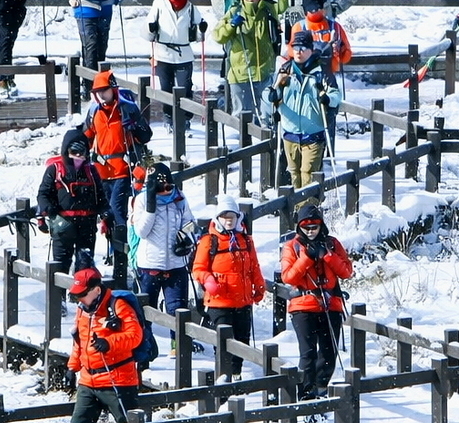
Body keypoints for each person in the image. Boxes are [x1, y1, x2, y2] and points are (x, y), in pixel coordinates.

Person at [45, 267, 156, 423]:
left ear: (96, 290)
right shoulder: (82, 310)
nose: (78, 299)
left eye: (82, 294)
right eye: (76, 295)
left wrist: (109, 343)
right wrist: (72, 367)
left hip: (118, 378)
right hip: (89, 379)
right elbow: (79, 342)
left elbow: (135, 336)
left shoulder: (118, 305)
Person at [83, 70, 152, 288]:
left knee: (117, 212)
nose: (101, 95)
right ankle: (113, 252)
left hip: (123, 170)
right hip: (100, 172)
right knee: (106, 216)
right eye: (98, 92)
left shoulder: (127, 109)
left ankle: (122, 263)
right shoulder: (94, 111)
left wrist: (134, 125)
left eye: (104, 90)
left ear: (113, 89)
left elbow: (146, 135)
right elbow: (86, 137)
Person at [280, 203, 353, 400]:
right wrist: (306, 259)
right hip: (303, 305)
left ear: (321, 226)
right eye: (306, 228)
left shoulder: (332, 244)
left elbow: (346, 271)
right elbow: (288, 277)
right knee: (308, 353)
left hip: (330, 305)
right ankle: (306, 392)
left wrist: (328, 256)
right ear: (299, 227)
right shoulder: (292, 247)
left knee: (329, 353)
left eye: (315, 227)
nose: (311, 231)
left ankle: (321, 387)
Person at [191, 194, 265, 379]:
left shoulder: (246, 240)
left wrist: (259, 286)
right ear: (218, 218)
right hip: (219, 301)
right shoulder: (209, 241)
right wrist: (208, 280)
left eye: (231, 216)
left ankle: (236, 375)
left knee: (242, 341)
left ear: (238, 217)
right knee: (223, 341)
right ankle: (223, 377)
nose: (228, 220)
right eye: (224, 217)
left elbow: (254, 266)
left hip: (243, 300)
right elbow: (198, 268)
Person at [263, 31, 343, 190]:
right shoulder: (286, 70)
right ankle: (297, 204)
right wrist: (272, 94)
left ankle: (308, 205)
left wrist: (327, 98)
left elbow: (336, 94)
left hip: (313, 132)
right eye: (295, 47)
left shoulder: (321, 72)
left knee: (309, 173)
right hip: (290, 131)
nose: (298, 51)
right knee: (294, 173)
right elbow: (269, 91)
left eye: (303, 48)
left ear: (311, 49)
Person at [130, 162, 196, 354]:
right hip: (150, 264)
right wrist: (151, 207)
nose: (167, 191)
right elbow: (141, 231)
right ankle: (146, 347)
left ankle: (178, 347)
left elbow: (190, 222)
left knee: (178, 308)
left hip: (176, 263)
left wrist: (186, 239)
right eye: (162, 188)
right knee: (146, 308)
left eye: (170, 186)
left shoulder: (179, 198)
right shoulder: (142, 200)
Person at [214, 0, 280, 125]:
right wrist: (231, 26)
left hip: (264, 72)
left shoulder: (267, 11)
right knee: (242, 117)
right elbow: (218, 36)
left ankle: (266, 140)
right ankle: (243, 141)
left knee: (266, 116)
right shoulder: (234, 11)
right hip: (240, 73)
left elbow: (282, 6)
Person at [36, 128, 105, 276]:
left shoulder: (91, 171)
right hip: (63, 225)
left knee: (85, 266)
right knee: (60, 266)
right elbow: (43, 194)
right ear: (66, 151)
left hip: (86, 225)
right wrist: (47, 208)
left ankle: (80, 290)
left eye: (82, 152)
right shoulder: (55, 170)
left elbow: (100, 196)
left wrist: (106, 212)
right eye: (74, 151)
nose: (78, 156)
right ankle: (59, 291)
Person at [144, 0, 206, 130]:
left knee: (185, 87)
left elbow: (199, 36)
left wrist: (202, 29)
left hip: (184, 54)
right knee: (166, 89)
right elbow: (147, 31)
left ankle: (185, 119)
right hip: (162, 53)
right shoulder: (159, 5)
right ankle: (168, 118)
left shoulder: (191, 8)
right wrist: (150, 28)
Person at [287, 0, 352, 135]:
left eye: (319, 8)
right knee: (307, 113)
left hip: (328, 77)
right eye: (312, 8)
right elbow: (291, 51)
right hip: (305, 78)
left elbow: (346, 56)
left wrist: (341, 49)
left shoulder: (334, 27)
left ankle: (328, 143)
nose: (316, 11)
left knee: (329, 112)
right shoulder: (300, 27)